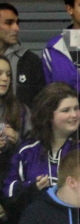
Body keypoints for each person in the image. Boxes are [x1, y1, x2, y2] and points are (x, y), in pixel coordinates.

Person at [4, 82, 80, 224]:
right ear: (49, 114)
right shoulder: (27, 151)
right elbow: (9, 194)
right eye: (66, 110)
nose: (74, 115)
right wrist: (33, 188)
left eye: (76, 108)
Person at [0, 3, 45, 106]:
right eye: (9, 23)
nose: (16, 28)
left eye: (17, 23)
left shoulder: (31, 61)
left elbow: (40, 105)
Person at [0, 55, 31, 196]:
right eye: (0, 73)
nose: (5, 78)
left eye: (8, 74)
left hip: (10, 183)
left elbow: (34, 150)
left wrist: (17, 140)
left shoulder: (21, 110)